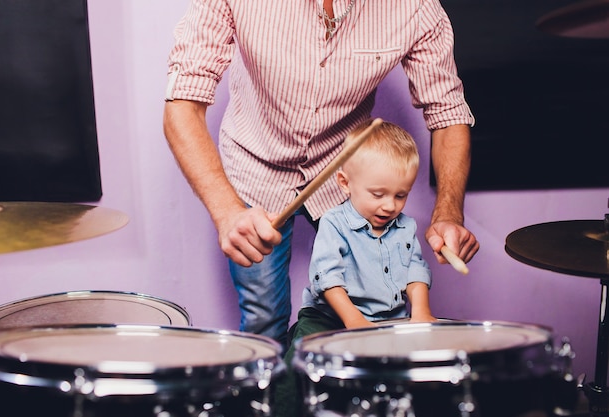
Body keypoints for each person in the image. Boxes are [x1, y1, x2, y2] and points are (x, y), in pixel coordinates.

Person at [163, 0, 480, 349]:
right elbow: (183, 104)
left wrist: (448, 213)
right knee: (263, 321)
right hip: (254, 166)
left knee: (371, 313)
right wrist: (226, 212)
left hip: (346, 177)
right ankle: (273, 402)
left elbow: (448, 114)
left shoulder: (415, 6)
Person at [273, 119, 436, 417]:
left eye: (401, 195)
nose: (390, 206)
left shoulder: (406, 227)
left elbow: (415, 269)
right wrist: (353, 320)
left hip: (387, 319)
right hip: (330, 317)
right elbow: (328, 278)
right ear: (345, 183)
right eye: (378, 194)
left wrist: (421, 311)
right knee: (296, 366)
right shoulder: (334, 223)